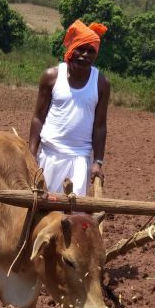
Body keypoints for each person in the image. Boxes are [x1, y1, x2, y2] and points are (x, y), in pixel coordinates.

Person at [28, 19, 111, 196]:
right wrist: (31, 154)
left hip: (79, 158)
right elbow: (38, 118)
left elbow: (100, 126)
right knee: (42, 212)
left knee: (74, 214)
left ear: (96, 55)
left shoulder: (101, 83)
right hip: (49, 154)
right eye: (81, 49)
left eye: (91, 51)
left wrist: (97, 162)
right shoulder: (52, 76)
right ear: (71, 50)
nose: (85, 55)